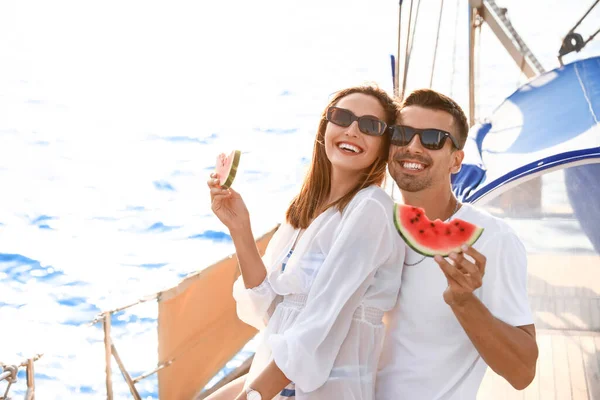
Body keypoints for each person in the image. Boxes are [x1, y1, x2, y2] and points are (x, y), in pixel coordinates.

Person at [206, 85, 405, 400]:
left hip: (324, 390)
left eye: (370, 126)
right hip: (278, 381)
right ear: (325, 126)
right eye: (342, 117)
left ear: (383, 146)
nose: (353, 130)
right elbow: (272, 312)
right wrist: (240, 228)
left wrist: (250, 396)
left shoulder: (371, 209)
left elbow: (319, 326)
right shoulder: (307, 209)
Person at [375, 89, 538, 399]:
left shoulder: (493, 239)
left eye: (433, 139)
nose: (413, 147)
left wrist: (464, 301)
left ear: (456, 161)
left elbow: (522, 373)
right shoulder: (370, 223)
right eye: (402, 134)